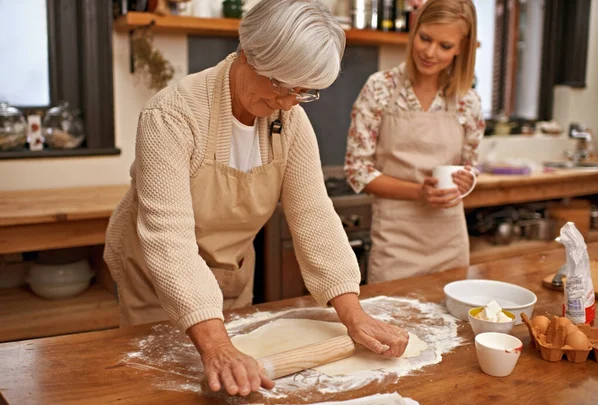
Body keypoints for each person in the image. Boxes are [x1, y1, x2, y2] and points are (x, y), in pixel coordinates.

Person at [104, 0, 409, 397]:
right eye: (281, 86)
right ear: (247, 53)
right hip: (155, 281)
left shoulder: (291, 121)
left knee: (232, 388)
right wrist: (215, 346)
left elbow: (314, 215)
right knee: (160, 388)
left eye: (303, 92)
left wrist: (352, 313)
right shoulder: (172, 116)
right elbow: (169, 242)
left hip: (230, 275)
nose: (287, 103)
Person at [344, 0, 485, 283]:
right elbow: (357, 171)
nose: (430, 52)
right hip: (395, 244)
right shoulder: (379, 88)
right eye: (425, 38)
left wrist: (466, 181)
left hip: (450, 243)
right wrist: (419, 193)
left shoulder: (467, 100)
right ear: (414, 29)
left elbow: (470, 166)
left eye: (445, 46)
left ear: (462, 47)